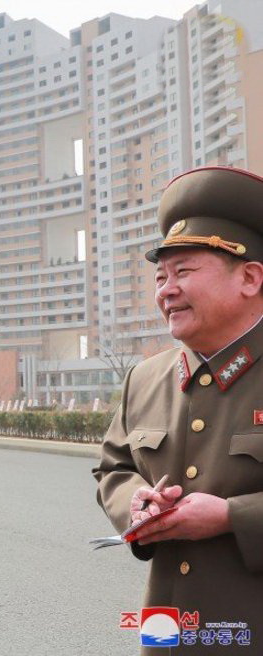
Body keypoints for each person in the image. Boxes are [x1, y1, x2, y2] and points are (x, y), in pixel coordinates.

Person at [94, 166, 263, 654]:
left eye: (184, 272)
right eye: (161, 276)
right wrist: (136, 503)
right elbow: (113, 468)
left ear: (250, 278)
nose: (166, 290)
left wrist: (233, 517)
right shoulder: (145, 379)